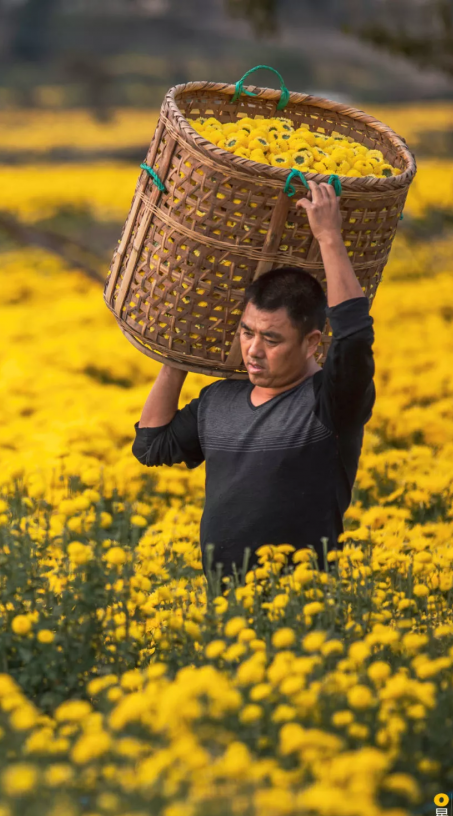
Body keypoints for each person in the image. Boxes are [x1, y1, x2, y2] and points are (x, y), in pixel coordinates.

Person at [131, 181, 375, 587]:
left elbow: (353, 338)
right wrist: (176, 358)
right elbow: (150, 446)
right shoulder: (220, 399)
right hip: (224, 610)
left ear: (312, 342)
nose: (253, 351)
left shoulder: (331, 405)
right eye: (247, 333)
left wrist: (329, 237)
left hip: (300, 607)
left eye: (272, 339)